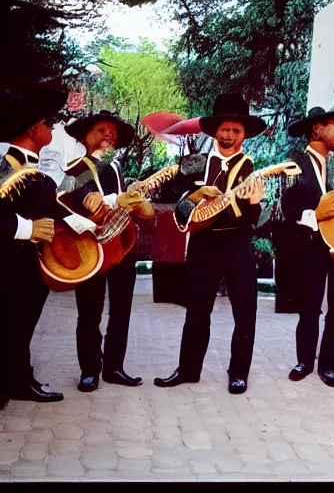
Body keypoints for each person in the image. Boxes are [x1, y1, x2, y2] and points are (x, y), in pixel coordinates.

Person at [154, 93, 266, 394]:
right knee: (197, 311)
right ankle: (188, 369)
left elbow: (252, 219)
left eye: (236, 131)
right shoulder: (194, 164)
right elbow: (176, 207)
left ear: (243, 135)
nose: (229, 136)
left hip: (237, 244)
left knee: (245, 311)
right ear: (215, 131)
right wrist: (193, 197)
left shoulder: (251, 168)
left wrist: (254, 204)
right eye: (224, 130)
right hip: (203, 244)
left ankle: (238, 372)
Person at [58, 110, 155, 393]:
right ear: (87, 135)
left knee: (122, 309)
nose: (107, 137)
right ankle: (89, 370)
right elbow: (64, 200)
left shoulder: (115, 169)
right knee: (89, 311)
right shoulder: (74, 169)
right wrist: (96, 200)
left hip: (123, 246)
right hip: (90, 249)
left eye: (111, 133)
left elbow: (121, 203)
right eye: (101, 131)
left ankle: (114, 367)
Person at [0, 82, 70, 403]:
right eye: (48, 122)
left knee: (19, 326)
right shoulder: (7, 165)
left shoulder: (29, 167)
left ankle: (17, 380)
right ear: (32, 128)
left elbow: (55, 209)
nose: (52, 127)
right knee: (10, 323)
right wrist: (27, 229)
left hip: (26, 267)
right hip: (9, 265)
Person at [279, 106, 334, 388]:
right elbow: (286, 204)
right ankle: (304, 361)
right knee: (309, 306)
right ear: (317, 130)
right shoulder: (294, 161)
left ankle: (329, 366)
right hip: (310, 245)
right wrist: (316, 216)